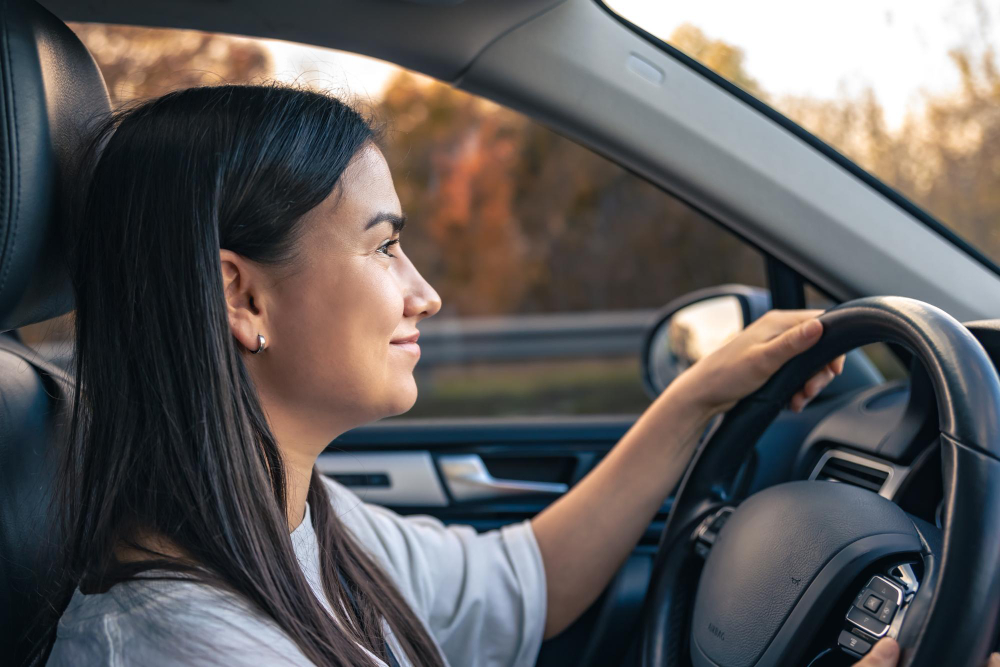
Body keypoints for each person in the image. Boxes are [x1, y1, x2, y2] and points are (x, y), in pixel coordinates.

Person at [34, 82, 983, 666]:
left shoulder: (296, 525)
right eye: (385, 247)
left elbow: (523, 582)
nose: (426, 292)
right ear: (241, 298)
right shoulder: (184, 646)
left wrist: (697, 396)